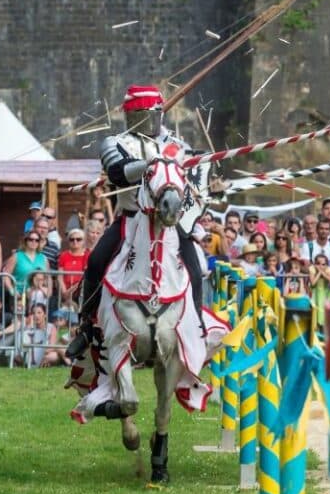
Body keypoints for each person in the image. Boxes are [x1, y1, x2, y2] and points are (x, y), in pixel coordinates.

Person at [66, 84, 218, 359]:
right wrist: (150, 164)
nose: (144, 121)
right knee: (97, 262)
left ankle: (196, 330)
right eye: (137, 115)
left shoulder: (176, 144)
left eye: (147, 115)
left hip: (168, 222)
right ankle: (87, 325)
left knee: (194, 271)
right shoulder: (116, 142)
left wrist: (204, 180)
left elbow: (190, 176)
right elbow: (117, 172)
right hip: (131, 219)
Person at [57, 228, 89, 310]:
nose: (75, 242)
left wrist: (70, 291)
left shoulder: (87, 255)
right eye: (72, 239)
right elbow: (60, 277)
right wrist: (64, 292)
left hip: (80, 293)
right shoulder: (63, 255)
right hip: (65, 294)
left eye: (79, 239)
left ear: (83, 241)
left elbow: (85, 276)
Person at [21, 303, 61, 368]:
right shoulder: (28, 328)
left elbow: (52, 346)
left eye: (39, 313)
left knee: (54, 356)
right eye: (33, 313)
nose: (36, 315)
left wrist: (40, 352)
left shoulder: (51, 327)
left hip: (46, 353)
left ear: (45, 314)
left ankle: (39, 363)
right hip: (30, 354)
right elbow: (24, 346)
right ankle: (40, 363)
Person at [308, 253, 330, 324]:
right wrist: (319, 273)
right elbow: (313, 283)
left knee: (324, 311)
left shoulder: (328, 269)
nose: (320, 266)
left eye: (323, 264)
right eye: (318, 263)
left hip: (325, 293)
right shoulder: (312, 269)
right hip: (315, 293)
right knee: (315, 311)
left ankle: (324, 328)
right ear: (314, 264)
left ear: (326, 265)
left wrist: (324, 274)